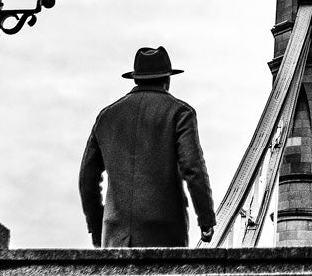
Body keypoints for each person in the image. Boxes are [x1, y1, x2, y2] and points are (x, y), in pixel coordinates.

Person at [78, 46, 215, 247]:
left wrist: (96, 227)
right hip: (165, 231)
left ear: (136, 79)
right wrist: (206, 220)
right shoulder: (180, 113)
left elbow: (87, 179)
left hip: (115, 233)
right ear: (167, 80)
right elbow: (193, 169)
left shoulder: (106, 117)